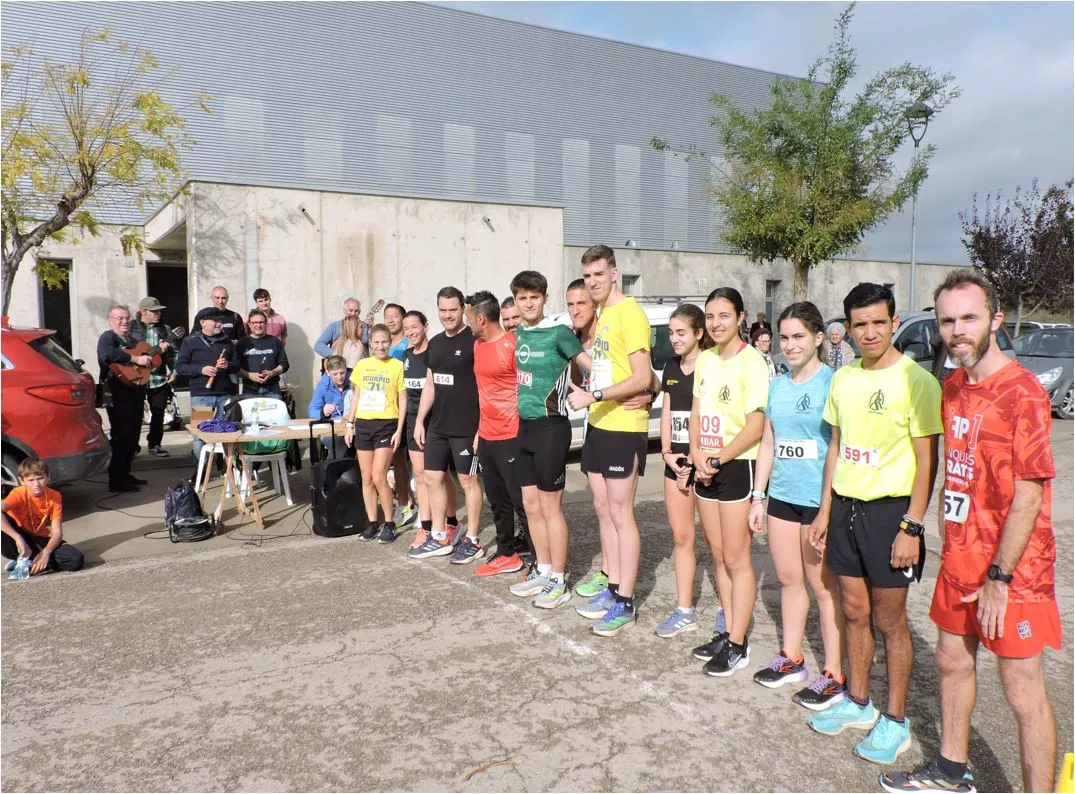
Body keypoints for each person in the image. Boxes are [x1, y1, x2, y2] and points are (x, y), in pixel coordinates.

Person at [881, 271, 1061, 794]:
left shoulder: (1022, 392)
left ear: (995, 321)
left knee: (1021, 691)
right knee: (952, 661)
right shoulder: (952, 386)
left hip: (1014, 572)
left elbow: (1029, 494)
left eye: (969, 317)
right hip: (960, 559)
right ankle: (951, 769)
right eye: (948, 320)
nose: (957, 329)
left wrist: (1000, 578)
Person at [806, 282, 941, 765]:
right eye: (860, 324)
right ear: (847, 327)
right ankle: (860, 703)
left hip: (891, 515)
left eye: (879, 323)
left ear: (892, 323)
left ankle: (896, 720)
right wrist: (825, 510)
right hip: (845, 508)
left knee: (890, 621)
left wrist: (912, 526)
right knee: (854, 612)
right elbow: (836, 449)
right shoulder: (843, 379)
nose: (869, 332)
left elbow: (928, 464)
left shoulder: (916, 381)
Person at [747, 302, 847, 710]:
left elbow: (837, 449)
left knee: (824, 588)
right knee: (789, 581)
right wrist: (759, 495)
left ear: (819, 338)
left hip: (817, 502)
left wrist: (826, 509)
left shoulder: (833, 383)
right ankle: (792, 658)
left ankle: (835, 673)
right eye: (784, 338)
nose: (789, 345)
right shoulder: (778, 385)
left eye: (798, 337)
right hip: (782, 499)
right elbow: (769, 442)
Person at [567, 244, 654, 637]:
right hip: (599, 425)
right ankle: (613, 584)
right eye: (587, 276)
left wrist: (595, 396)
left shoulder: (629, 312)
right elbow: (607, 368)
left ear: (614, 273)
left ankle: (626, 601)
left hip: (623, 426)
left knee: (622, 513)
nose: (593, 282)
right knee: (603, 508)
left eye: (599, 275)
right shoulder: (602, 315)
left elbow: (641, 375)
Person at [688, 287, 768, 676]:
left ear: (740, 318)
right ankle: (726, 628)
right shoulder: (704, 360)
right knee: (717, 555)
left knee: (737, 558)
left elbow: (756, 425)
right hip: (706, 465)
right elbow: (697, 411)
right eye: (710, 316)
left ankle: (738, 642)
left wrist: (719, 457)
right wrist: (698, 455)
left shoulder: (752, 362)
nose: (715, 323)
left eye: (724, 315)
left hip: (737, 465)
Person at [502, 271, 591, 598]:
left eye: (534, 298)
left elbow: (591, 365)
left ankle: (559, 578)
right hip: (523, 428)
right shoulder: (520, 333)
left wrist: (599, 393)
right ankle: (542, 569)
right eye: (522, 298)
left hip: (552, 428)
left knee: (551, 508)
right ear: (515, 301)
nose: (528, 303)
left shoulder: (559, 333)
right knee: (530, 504)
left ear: (544, 298)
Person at [409, 287, 484, 560]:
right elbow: (430, 384)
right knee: (432, 477)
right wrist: (419, 422)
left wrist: (482, 426)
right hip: (437, 426)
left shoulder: (475, 341)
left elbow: (487, 385)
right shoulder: (436, 344)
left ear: (463, 309)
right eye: (443, 310)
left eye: (453, 309)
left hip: (467, 426)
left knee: (468, 480)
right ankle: (440, 535)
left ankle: (473, 540)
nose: (448, 315)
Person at [654, 303, 710, 638]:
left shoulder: (712, 366)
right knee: (682, 537)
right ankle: (684, 609)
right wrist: (666, 454)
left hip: (705, 464)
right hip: (675, 463)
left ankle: (727, 610)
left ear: (698, 334)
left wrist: (697, 459)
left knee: (716, 543)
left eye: (681, 333)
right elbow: (668, 412)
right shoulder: (670, 366)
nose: (674, 339)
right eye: (671, 333)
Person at [463, 290, 529, 569]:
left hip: (512, 435)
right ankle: (506, 553)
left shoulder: (513, 345)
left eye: (468, 318)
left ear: (481, 318)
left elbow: (527, 390)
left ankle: (540, 561)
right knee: (497, 500)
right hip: (487, 436)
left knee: (521, 501)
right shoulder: (478, 346)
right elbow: (483, 393)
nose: (467, 324)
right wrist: (479, 431)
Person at [400, 310, 460, 551]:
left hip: (436, 422)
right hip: (414, 424)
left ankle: (452, 522)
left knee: (442, 475)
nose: (410, 332)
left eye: (414, 326)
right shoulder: (404, 356)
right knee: (422, 476)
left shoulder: (435, 352)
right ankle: (426, 528)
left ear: (425, 326)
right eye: (406, 329)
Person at [344, 325, 408, 543]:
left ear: (390, 342)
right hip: (364, 424)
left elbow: (403, 399)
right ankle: (372, 522)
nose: (381, 346)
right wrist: (349, 423)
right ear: (371, 343)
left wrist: (399, 429)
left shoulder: (397, 365)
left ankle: (389, 523)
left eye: (384, 342)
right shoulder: (363, 365)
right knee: (367, 477)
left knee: (380, 476)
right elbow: (356, 396)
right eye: (377, 342)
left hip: (386, 425)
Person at [176, 308, 240, 472]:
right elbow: (180, 366)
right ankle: (200, 471)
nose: (219, 324)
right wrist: (201, 370)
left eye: (220, 321)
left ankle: (227, 469)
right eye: (215, 321)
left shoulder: (226, 341)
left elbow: (237, 365)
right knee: (200, 435)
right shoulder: (191, 341)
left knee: (226, 433)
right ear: (202, 322)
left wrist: (228, 366)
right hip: (201, 396)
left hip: (224, 394)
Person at [97, 305, 152, 492]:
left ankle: (126, 474)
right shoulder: (107, 338)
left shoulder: (132, 340)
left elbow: (144, 361)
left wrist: (151, 358)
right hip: (116, 392)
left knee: (133, 435)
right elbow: (108, 355)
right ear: (110, 320)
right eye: (119, 318)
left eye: (127, 318)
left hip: (134, 392)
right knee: (121, 435)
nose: (124, 321)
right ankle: (117, 480)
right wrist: (136, 360)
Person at [1, 458, 84, 574]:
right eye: (30, 480)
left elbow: (57, 533)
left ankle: (29, 562)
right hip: (17, 540)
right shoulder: (18, 494)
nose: (36, 484)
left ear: (48, 477)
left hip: (39, 539)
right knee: (3, 518)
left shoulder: (54, 496)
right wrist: (18, 538)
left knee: (75, 559)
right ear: (22, 481)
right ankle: (23, 558)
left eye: (40, 478)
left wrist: (46, 553)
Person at [130, 296, 177, 457]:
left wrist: (174, 370)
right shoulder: (131, 328)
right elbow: (125, 350)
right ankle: (132, 446)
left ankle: (155, 444)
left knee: (158, 412)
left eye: (159, 311)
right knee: (135, 413)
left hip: (158, 378)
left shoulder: (165, 329)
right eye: (154, 311)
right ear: (143, 312)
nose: (158, 314)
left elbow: (174, 353)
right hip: (136, 377)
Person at [307, 355, 353, 459]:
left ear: (346, 370)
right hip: (331, 427)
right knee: (340, 444)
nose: (339, 377)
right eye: (335, 374)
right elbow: (312, 410)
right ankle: (328, 471)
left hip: (351, 425)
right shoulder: (323, 385)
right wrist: (323, 412)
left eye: (342, 373)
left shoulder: (353, 381)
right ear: (328, 372)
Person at [236, 309, 289, 397]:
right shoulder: (242, 343)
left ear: (266, 323)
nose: (258, 325)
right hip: (249, 390)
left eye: (261, 322)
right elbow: (236, 367)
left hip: (272, 390)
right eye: (255, 322)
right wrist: (249, 375)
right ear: (249, 324)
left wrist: (273, 373)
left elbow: (284, 364)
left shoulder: (274, 341)